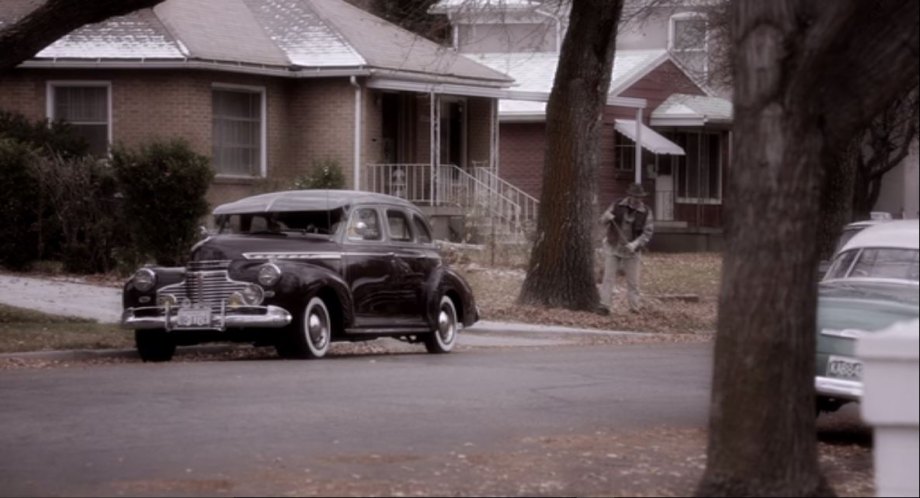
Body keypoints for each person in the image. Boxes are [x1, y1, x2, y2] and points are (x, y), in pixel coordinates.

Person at [599, 183, 654, 313]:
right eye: (635, 196)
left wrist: (635, 244)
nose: (637, 200)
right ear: (629, 195)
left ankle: (634, 308)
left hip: (632, 251)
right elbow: (602, 221)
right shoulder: (617, 205)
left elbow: (648, 232)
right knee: (608, 278)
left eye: (640, 197)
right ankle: (604, 306)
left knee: (633, 282)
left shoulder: (646, 211)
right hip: (613, 246)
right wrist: (606, 217)